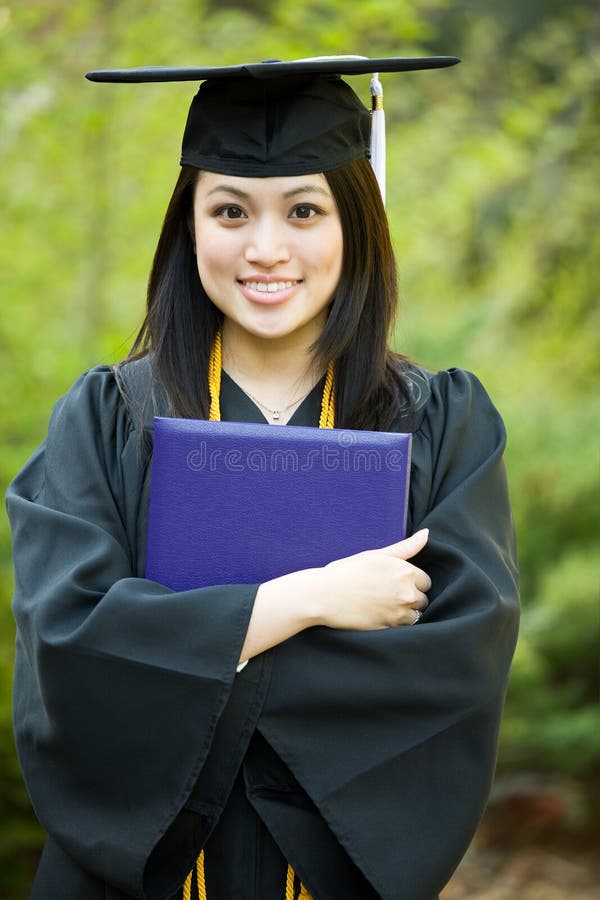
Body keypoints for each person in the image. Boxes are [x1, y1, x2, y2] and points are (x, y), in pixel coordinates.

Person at [6, 57, 519, 900]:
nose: (266, 248)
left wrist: (185, 648)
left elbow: (456, 667)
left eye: (305, 209)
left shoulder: (440, 422)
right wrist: (308, 602)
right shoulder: (103, 418)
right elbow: (70, 647)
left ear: (358, 221)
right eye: (231, 210)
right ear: (189, 227)